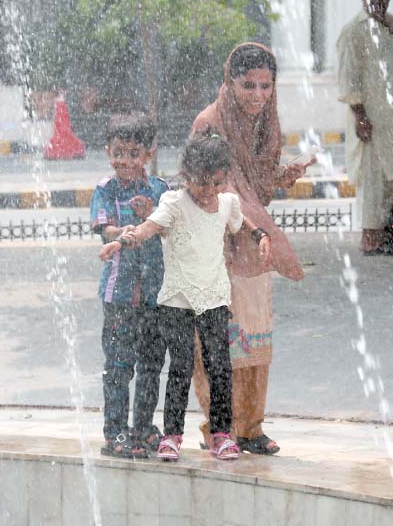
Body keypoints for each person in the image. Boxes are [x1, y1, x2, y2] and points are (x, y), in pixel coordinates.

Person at [100, 134, 272, 462]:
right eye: (201, 183)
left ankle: (222, 434)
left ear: (225, 178)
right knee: (179, 368)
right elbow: (148, 228)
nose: (208, 191)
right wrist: (122, 242)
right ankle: (172, 435)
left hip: (215, 298)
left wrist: (259, 236)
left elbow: (240, 221)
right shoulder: (174, 203)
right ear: (186, 175)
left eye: (217, 182)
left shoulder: (226, 203)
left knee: (219, 367)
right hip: (177, 300)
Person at [190, 42, 309, 456]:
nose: (258, 95)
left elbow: (252, 181)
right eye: (248, 86)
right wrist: (253, 226)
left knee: (254, 343)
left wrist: (280, 177)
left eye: (265, 86)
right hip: (217, 250)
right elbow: (215, 184)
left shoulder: (264, 125)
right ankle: (220, 428)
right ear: (230, 82)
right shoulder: (210, 123)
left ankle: (251, 427)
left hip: (253, 252)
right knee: (219, 345)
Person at [91, 120, 169, 459]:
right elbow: (102, 227)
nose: (124, 161)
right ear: (108, 151)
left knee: (151, 365)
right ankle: (115, 432)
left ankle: (143, 428)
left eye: (133, 154)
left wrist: (151, 214)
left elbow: (170, 227)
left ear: (148, 154)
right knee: (119, 365)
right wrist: (121, 230)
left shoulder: (159, 189)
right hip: (119, 294)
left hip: (154, 294)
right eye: (118, 153)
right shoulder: (106, 189)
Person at [338, 0, 393, 255]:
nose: (378, 0)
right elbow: (349, 77)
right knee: (373, 179)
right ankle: (371, 237)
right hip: (372, 121)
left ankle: (387, 235)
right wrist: (360, 114)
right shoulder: (354, 31)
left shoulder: (390, 26)